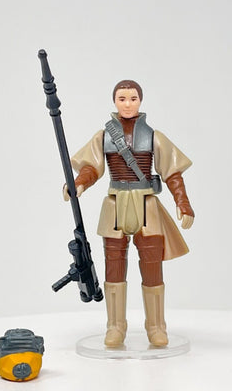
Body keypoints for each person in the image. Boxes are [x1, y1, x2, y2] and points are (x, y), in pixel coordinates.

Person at [64, 80, 194, 347]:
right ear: (114, 101)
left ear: (140, 101)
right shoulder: (104, 136)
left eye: (133, 98)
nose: (127, 104)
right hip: (116, 204)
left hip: (147, 205)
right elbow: (91, 168)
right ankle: (115, 326)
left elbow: (172, 173)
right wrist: (79, 184)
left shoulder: (153, 136)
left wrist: (183, 203)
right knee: (114, 267)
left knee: (152, 266)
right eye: (122, 99)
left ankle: (156, 326)